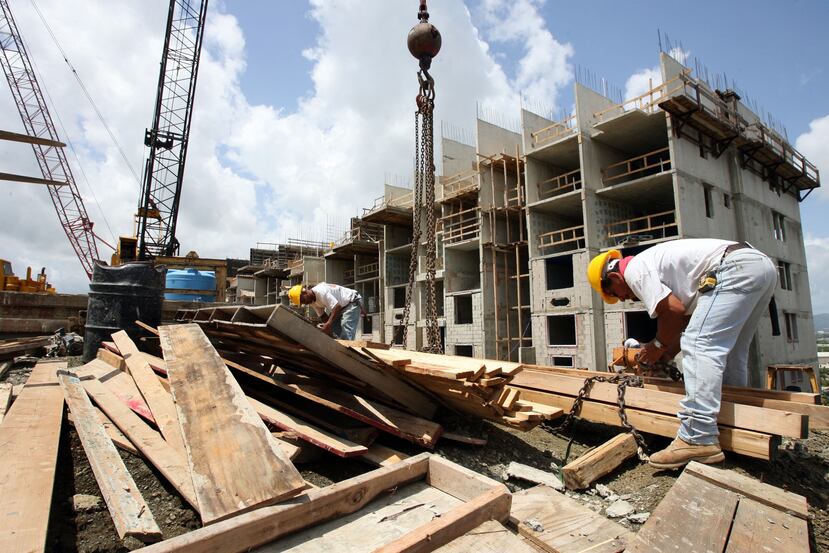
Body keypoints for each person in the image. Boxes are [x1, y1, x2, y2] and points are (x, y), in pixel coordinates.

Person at [587, 239, 777, 469]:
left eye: (615, 294)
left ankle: (697, 437)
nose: (623, 299)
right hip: (759, 266)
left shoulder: (636, 270)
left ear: (615, 278)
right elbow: (684, 321)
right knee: (732, 351)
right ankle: (731, 427)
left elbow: (673, 312)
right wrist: (665, 354)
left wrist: (656, 346)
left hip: (733, 268)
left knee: (701, 344)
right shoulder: (661, 266)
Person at [287, 282, 363, 340]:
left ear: (304, 292)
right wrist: (327, 330)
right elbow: (323, 317)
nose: (305, 303)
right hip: (341, 307)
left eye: (303, 300)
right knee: (333, 331)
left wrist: (328, 324)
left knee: (346, 329)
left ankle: (348, 355)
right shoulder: (312, 302)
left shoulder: (321, 291)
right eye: (302, 303)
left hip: (352, 301)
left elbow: (337, 307)